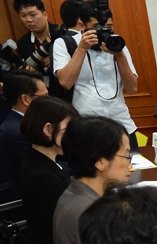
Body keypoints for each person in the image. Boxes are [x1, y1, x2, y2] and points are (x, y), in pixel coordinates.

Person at [52, 116, 132, 244]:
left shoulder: (75, 194)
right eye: (126, 155)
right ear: (100, 162)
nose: (130, 164)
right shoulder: (90, 212)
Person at [51, 3, 139, 142]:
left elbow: (132, 87)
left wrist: (119, 55)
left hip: (122, 124)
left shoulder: (117, 43)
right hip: (87, 128)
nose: (104, 31)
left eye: (109, 26)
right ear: (82, 25)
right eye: (97, 26)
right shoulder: (64, 43)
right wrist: (82, 49)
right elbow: (66, 82)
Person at [19, 95, 76, 244]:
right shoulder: (43, 177)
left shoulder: (37, 157)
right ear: (48, 129)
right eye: (68, 131)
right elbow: (64, 227)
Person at [0, 70, 47, 202]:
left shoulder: (22, 123)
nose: (49, 101)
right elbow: (43, 168)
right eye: (44, 96)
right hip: (28, 199)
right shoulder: (18, 132)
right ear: (25, 99)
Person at [14, 0, 60, 94]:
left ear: (45, 14)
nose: (28, 20)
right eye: (23, 16)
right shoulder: (22, 43)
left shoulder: (60, 32)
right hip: (43, 94)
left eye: (33, 14)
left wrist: (56, 59)